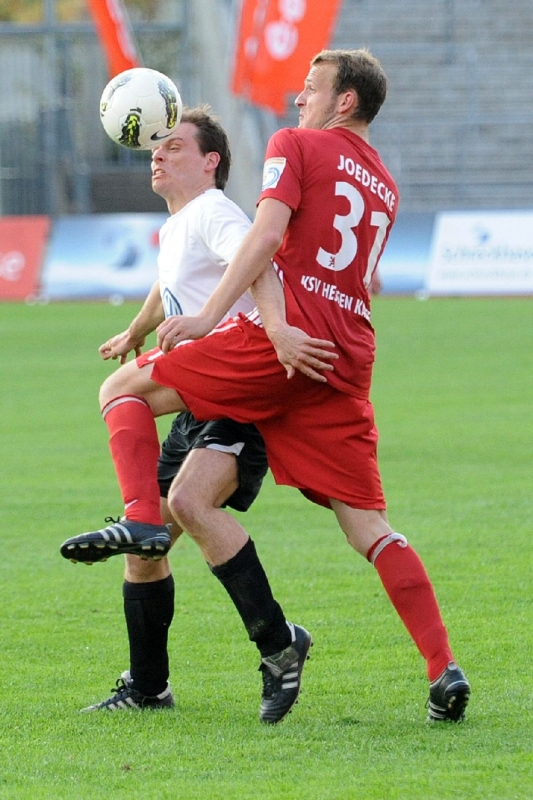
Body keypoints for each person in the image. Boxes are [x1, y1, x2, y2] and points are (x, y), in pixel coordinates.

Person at [62, 50, 470, 723]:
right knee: (367, 526)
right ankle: (442, 669)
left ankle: (162, 543)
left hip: (277, 347)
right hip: (344, 358)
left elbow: (266, 240)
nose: (298, 99)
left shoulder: (294, 145)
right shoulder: (384, 185)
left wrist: (224, 321)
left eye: (310, 88)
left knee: (120, 395)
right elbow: (356, 273)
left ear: (344, 100)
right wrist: (141, 324)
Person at [61, 106, 311, 722]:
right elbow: (166, 284)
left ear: (210, 162)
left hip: (235, 391)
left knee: (186, 499)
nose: (157, 154)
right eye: (156, 147)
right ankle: (149, 687)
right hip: (195, 396)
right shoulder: (181, 223)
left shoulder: (214, 210)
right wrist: (135, 328)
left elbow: (258, 260)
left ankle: (280, 645)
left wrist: (276, 328)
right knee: (147, 554)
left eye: (174, 146)